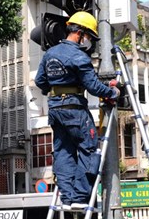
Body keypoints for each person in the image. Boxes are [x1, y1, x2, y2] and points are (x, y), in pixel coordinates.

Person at [35, 11, 120, 210]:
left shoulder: (50, 53)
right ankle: (81, 197)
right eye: (89, 36)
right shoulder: (79, 57)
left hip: (55, 110)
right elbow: (93, 87)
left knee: (63, 152)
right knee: (89, 149)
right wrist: (113, 92)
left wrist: (55, 89)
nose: (89, 42)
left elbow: (40, 81)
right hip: (75, 110)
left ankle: (67, 197)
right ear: (80, 33)